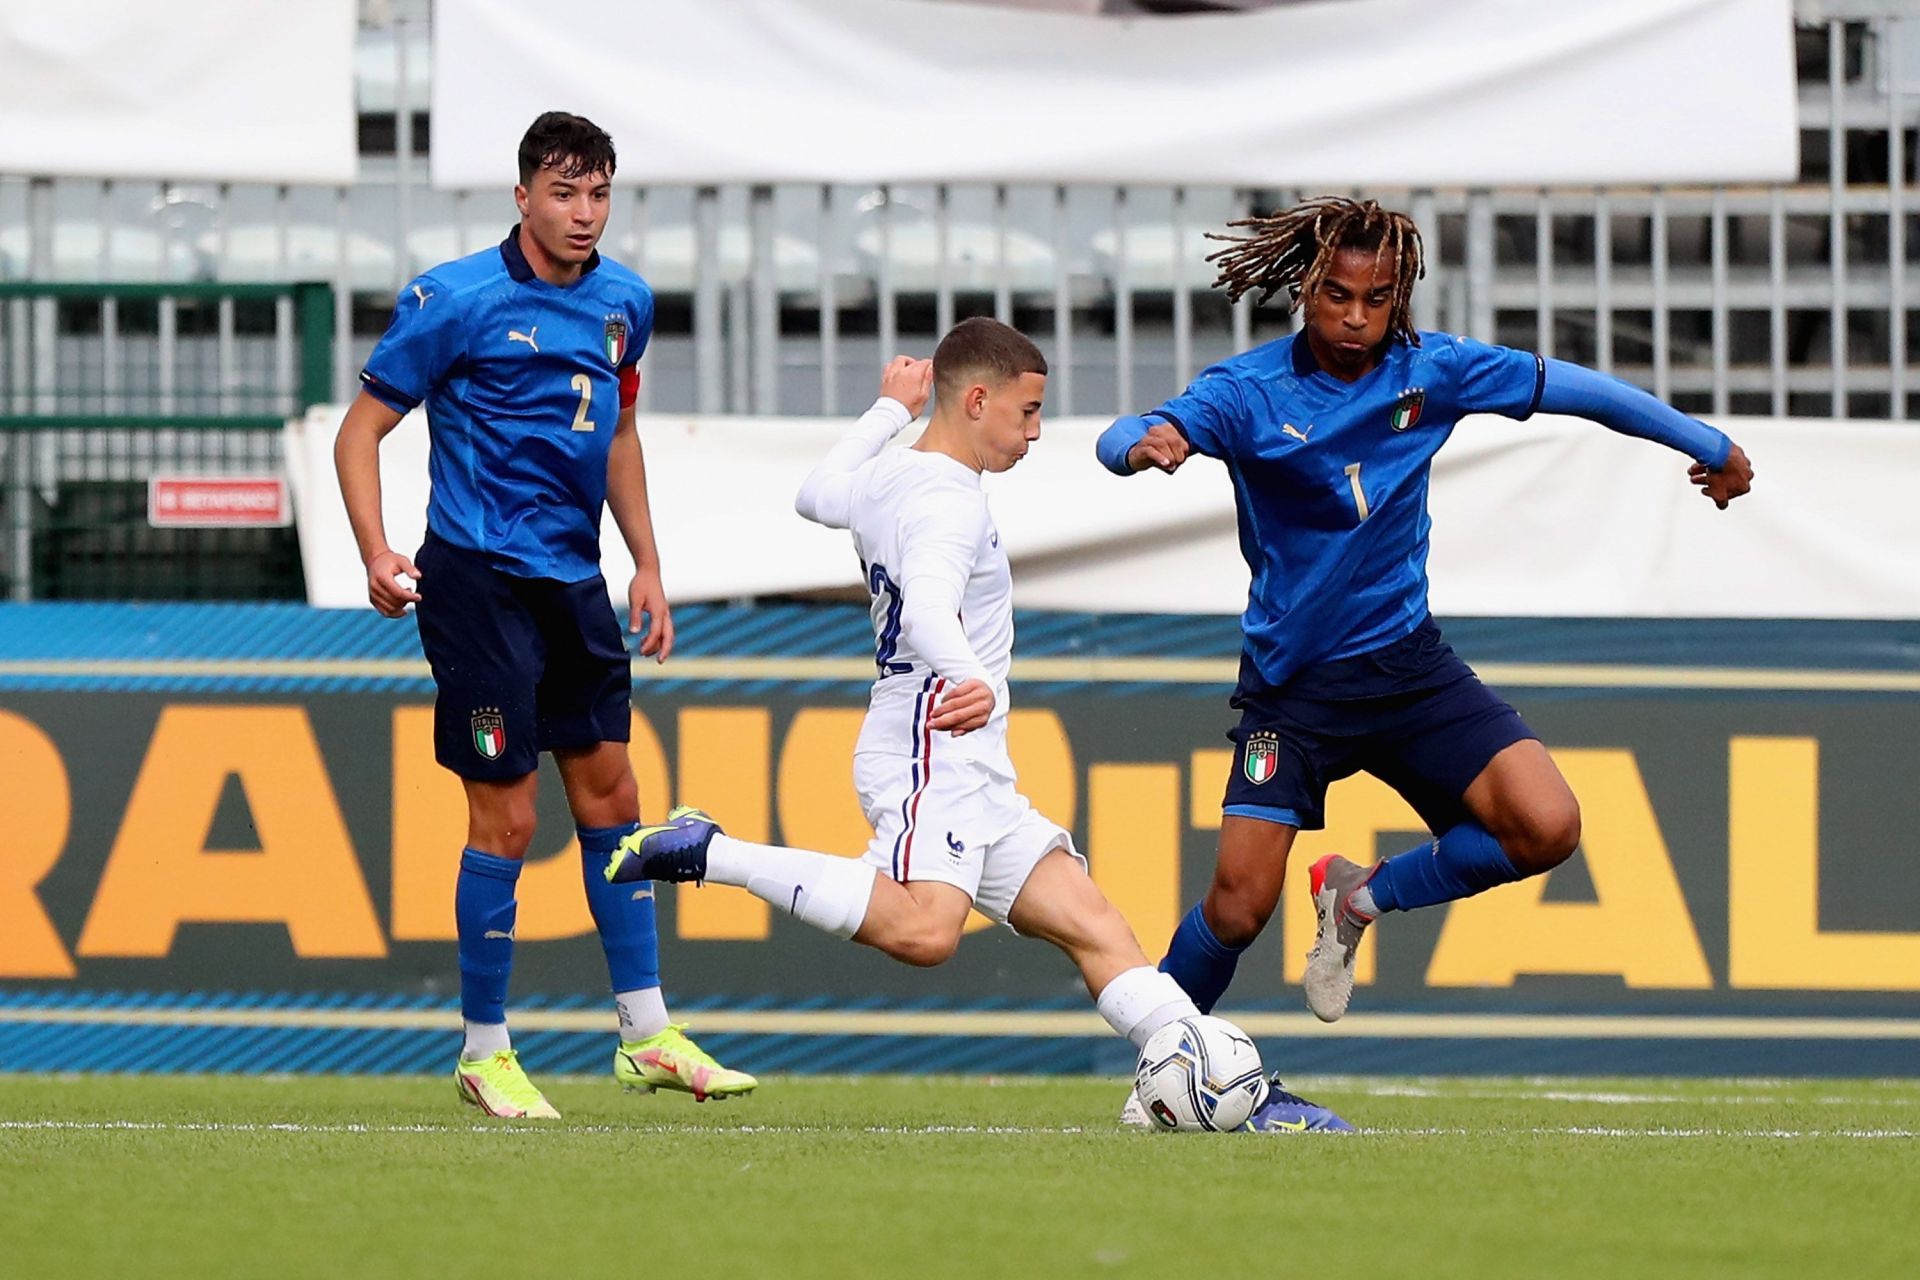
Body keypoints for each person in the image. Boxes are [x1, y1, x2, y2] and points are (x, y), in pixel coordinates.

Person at [605, 318, 1350, 1132]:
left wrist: (889, 410)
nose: (1033, 433)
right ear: (979, 399)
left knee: (1093, 921)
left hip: (961, 752)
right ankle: (714, 850)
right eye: (1027, 414)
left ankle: (1219, 1083)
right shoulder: (948, 501)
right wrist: (972, 678)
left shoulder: (892, 471)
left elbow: (815, 493)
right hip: (934, 739)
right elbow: (927, 605)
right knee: (926, 930)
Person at [1096, 196, 1754, 1027]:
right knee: (1237, 908)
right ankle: (1165, 1059)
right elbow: (1131, 430)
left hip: (1408, 665)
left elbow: (1581, 392)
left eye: (1378, 299)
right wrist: (1140, 444)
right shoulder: (1249, 392)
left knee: (1546, 826)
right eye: (1338, 295)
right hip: (1294, 690)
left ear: (1401, 297)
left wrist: (1706, 442)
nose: (1358, 318)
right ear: (1306, 287)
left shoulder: (1433, 369)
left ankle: (1360, 900)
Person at [334, 111, 755, 1119]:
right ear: (522, 197)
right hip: (476, 581)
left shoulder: (625, 302)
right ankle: (486, 1049)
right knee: (510, 813)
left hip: (574, 582)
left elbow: (617, 433)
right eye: (564, 193)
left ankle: (645, 1031)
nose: (583, 212)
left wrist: (647, 561)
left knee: (614, 794)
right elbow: (361, 430)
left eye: (599, 193)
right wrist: (376, 551)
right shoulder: (455, 298)